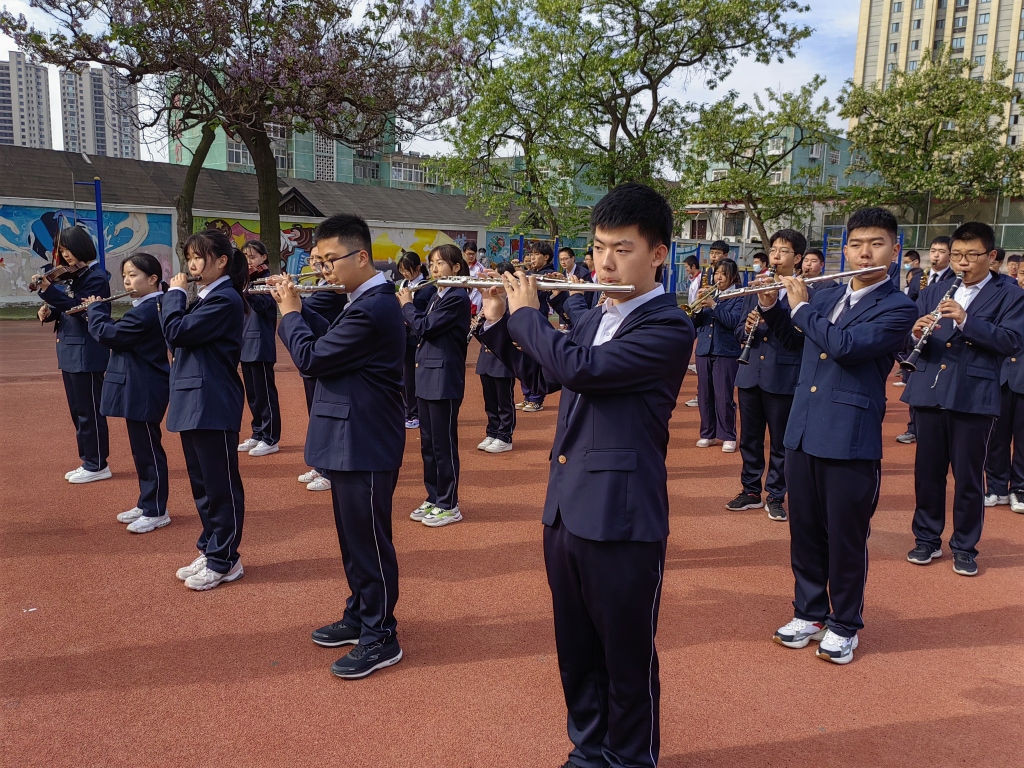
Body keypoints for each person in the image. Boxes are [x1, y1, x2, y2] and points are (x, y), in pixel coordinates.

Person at [477, 181, 694, 768]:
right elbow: (544, 378)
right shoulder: (597, 315)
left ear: (658, 255)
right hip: (567, 507)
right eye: (598, 247)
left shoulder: (668, 327)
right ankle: (588, 750)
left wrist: (528, 315)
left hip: (622, 516)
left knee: (625, 657)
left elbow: (585, 371)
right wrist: (497, 321)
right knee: (575, 651)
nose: (604, 262)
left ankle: (630, 758)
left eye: (622, 249)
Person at [762, 207, 917, 664]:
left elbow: (847, 347)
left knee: (845, 537)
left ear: (894, 250)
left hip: (849, 437)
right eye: (856, 244)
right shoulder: (828, 295)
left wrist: (801, 307)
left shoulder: (898, 306)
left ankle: (845, 624)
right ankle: (809, 613)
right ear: (844, 249)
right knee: (805, 530)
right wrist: (773, 308)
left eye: (876, 244)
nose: (865, 253)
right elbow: (797, 343)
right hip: (804, 429)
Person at [275, 213, 406, 679]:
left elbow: (312, 357)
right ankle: (360, 613)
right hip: (350, 438)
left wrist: (290, 313)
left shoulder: (374, 308)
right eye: (318, 261)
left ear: (362, 257)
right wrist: (295, 307)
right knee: (353, 540)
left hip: (365, 441)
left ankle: (381, 634)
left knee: (368, 542)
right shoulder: (360, 302)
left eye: (330, 260)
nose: (323, 269)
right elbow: (331, 339)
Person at [903, 222, 1024, 577]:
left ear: (991, 256)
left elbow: (1011, 342)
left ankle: (965, 546)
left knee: (968, 477)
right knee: (927, 473)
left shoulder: (1010, 294)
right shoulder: (933, 291)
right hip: (929, 390)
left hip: (973, 394)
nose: (962, 263)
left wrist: (966, 320)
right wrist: (914, 334)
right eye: (957, 255)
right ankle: (927, 538)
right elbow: (911, 339)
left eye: (971, 255)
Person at [163, 229, 247, 591]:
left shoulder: (225, 299)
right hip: (194, 399)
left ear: (222, 261)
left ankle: (225, 559)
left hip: (212, 400)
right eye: (189, 258)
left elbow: (176, 332)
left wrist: (174, 295)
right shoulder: (207, 298)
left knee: (219, 485)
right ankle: (211, 547)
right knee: (202, 485)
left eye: (199, 257)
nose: (192, 265)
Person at [718, 230, 804, 521]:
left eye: (784, 251)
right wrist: (747, 326)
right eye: (774, 250)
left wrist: (771, 309)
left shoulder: (802, 292)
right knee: (749, 438)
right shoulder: (757, 286)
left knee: (780, 441)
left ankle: (776, 494)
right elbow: (738, 330)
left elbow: (797, 337)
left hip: (782, 375)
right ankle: (751, 490)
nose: (776, 255)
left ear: (797, 258)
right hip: (750, 372)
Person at [83, 252, 170, 532]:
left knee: (148, 450)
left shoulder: (149, 309)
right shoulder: (146, 306)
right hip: (139, 384)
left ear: (153, 279)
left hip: (145, 386)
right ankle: (147, 502)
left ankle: (156, 509)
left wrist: (96, 311)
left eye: (133, 275)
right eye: (125, 276)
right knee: (141, 449)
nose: (127, 281)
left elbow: (112, 335)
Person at [399, 244, 472, 527]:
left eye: (440, 263)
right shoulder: (436, 295)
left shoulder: (457, 297)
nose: (434, 268)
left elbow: (425, 327)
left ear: (456, 267)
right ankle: (434, 496)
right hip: (427, 377)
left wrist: (407, 305)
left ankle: (449, 503)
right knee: (428, 445)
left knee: (443, 445)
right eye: (432, 263)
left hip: (444, 380)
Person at [36, 226, 112, 484]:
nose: (64, 255)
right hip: (71, 351)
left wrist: (50, 291)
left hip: (86, 352)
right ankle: (89, 460)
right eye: (62, 250)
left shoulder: (95, 277)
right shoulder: (74, 276)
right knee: (78, 411)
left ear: (81, 247)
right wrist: (50, 311)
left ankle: (97, 464)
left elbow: (79, 308)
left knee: (89, 411)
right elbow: (65, 307)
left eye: (67, 249)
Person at [296, 244, 348, 492]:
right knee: (315, 416)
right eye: (313, 259)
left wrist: (288, 294)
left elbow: (307, 309)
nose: (316, 265)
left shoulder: (333, 290)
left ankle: (330, 470)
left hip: (324, 358)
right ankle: (321, 464)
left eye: (322, 260)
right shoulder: (320, 286)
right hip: (313, 357)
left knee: (325, 417)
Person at [895, 236, 956, 444]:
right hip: (919, 333)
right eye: (933, 251)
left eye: (941, 251)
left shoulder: (954, 280)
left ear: (950, 256)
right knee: (916, 386)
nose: (936, 255)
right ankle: (913, 427)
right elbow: (910, 303)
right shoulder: (920, 277)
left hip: (940, 339)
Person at [237, 240, 282, 457]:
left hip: (261, 344)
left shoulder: (268, 280)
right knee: (253, 395)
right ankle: (258, 432)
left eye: (253, 256)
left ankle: (271, 438)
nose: (249, 261)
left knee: (265, 394)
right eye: (245, 257)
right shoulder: (247, 279)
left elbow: (263, 306)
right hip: (245, 343)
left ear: (264, 257)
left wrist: (245, 290)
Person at [692, 258, 742, 452]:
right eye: (717, 273)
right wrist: (697, 308)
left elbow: (733, 322)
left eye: (723, 274)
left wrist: (714, 305)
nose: (718, 278)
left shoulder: (739, 296)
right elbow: (695, 323)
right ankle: (707, 433)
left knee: (724, 395)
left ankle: (728, 435)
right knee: (704, 395)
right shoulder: (710, 294)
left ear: (733, 276)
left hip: (726, 351)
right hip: (704, 349)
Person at [987, 269, 1024, 514]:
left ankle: (1019, 488)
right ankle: (996, 487)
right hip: (999, 376)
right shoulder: (1004, 298)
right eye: (1022, 273)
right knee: (995, 437)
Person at [517, 243, 557, 411]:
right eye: (531, 254)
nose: (532, 258)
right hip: (526, 316)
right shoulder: (531, 273)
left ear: (546, 257)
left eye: (536, 254)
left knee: (535, 358)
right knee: (524, 357)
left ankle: (536, 397)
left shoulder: (549, 274)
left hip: (538, 318)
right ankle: (527, 395)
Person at [551, 246, 594, 327]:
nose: (563, 262)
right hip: (567, 316)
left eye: (565, 259)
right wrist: (563, 319)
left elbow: (587, 298)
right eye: (561, 259)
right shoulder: (563, 275)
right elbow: (562, 298)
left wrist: (572, 311)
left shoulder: (583, 274)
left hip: (581, 315)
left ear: (573, 258)